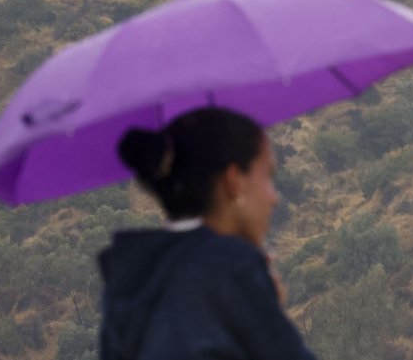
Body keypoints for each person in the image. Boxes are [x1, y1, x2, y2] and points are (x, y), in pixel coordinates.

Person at [98, 107, 317, 360]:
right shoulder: (233, 265)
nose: (273, 197)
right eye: (267, 176)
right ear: (234, 180)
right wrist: (266, 309)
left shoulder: (130, 279)